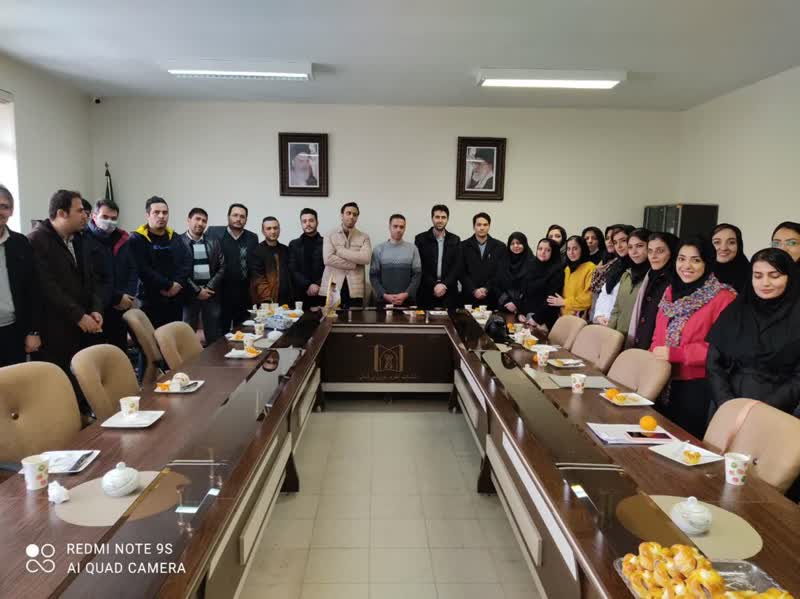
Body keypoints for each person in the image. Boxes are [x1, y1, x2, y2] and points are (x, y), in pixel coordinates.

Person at [650, 238, 736, 438]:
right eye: (681, 259)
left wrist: (677, 354)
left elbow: (722, 348)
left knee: (684, 442)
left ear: (707, 263)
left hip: (696, 386)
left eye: (696, 260)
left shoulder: (724, 298)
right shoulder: (670, 291)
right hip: (661, 378)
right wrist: (653, 355)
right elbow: (658, 332)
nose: (686, 266)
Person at [707, 248, 800, 416]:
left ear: (789, 277)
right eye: (757, 276)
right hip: (727, 404)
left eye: (774, 276)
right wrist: (725, 402)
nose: (765, 283)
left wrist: (761, 410)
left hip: (775, 410)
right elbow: (714, 363)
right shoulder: (737, 310)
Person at [28, 190, 103, 378]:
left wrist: (96, 309)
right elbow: (47, 286)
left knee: (82, 382)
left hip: (82, 327)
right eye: (79, 211)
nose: (85, 215)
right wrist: (78, 316)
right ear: (62, 213)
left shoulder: (79, 238)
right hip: (55, 330)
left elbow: (91, 278)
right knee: (58, 383)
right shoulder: (37, 240)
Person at [128, 196, 192, 329]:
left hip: (175, 299)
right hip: (150, 300)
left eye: (165, 212)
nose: (161, 216)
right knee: (153, 339)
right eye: (156, 212)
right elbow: (142, 269)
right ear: (147, 215)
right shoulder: (137, 239)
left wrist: (178, 284)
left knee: (173, 336)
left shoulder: (175, 237)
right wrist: (168, 285)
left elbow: (186, 262)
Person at [84, 198, 138, 352]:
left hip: (122, 306)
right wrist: (116, 297)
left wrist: (128, 296)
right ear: (94, 216)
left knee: (120, 351)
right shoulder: (84, 239)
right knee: (98, 353)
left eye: (114, 218)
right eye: (105, 217)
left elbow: (132, 269)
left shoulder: (123, 238)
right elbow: (93, 277)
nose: (109, 222)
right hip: (97, 308)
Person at [0, 185, 41, 367]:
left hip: (13, 331)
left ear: (11, 211)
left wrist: (33, 331)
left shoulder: (20, 243)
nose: (0, 211)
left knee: (14, 381)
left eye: (4, 206)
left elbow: (33, 290)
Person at [208, 203, 259, 332]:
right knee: (220, 332)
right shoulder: (214, 234)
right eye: (235, 215)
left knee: (243, 331)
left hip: (243, 293)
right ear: (228, 217)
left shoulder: (252, 238)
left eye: (242, 216)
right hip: (220, 292)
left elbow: (254, 265)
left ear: (246, 219)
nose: (238, 219)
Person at [180, 208, 225, 345]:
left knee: (214, 335)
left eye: (204, 221)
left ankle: (213, 359)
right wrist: (197, 291)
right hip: (188, 295)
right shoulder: (179, 242)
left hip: (210, 295)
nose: (200, 223)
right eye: (197, 219)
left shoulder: (214, 241)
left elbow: (222, 267)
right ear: (188, 220)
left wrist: (209, 288)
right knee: (186, 335)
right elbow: (179, 271)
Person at [630, 232, 680, 350]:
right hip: (641, 343)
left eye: (660, 251)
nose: (653, 256)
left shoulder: (675, 283)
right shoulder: (650, 276)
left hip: (657, 349)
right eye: (650, 251)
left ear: (672, 252)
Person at [321, 202, 372, 308]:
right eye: (348, 213)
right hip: (333, 286)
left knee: (355, 317)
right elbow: (328, 259)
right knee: (331, 317)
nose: (351, 216)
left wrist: (340, 251)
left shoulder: (364, 237)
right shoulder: (330, 234)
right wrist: (354, 264)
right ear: (342, 215)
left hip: (355, 289)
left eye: (355, 214)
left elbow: (366, 258)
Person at [608, 228, 652, 341]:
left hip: (638, 340)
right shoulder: (627, 275)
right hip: (618, 337)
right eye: (630, 247)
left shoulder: (653, 278)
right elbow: (617, 308)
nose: (634, 252)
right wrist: (609, 336)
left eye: (639, 246)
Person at [415, 204, 461, 309]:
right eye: (437, 217)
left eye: (443, 217)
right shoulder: (420, 239)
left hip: (449, 290)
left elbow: (457, 266)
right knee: (426, 319)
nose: (440, 220)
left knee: (449, 319)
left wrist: (444, 285)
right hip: (426, 290)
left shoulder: (455, 240)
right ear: (432, 218)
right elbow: (420, 266)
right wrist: (434, 285)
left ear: (447, 219)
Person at [369, 214, 421, 307]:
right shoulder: (378, 249)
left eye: (401, 227)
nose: (398, 230)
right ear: (389, 227)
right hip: (383, 301)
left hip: (407, 301)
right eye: (395, 226)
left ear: (405, 228)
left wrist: (406, 294)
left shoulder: (413, 249)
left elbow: (417, 275)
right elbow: (373, 276)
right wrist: (385, 295)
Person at [459, 212, 506, 308]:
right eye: (479, 225)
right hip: (468, 297)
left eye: (485, 225)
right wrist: (474, 290)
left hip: (491, 297)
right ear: (474, 227)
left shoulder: (500, 247)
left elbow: (500, 272)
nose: (482, 228)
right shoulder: (463, 246)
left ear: (489, 226)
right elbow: (461, 272)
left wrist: (486, 288)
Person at [592, 226, 633, 325]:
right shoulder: (616, 265)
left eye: (623, 241)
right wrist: (599, 315)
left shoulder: (636, 268)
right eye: (615, 242)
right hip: (603, 321)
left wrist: (611, 320)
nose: (619, 246)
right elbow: (604, 293)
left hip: (620, 325)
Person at [521, 238, 564, 333]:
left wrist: (536, 319)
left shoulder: (557, 271)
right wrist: (520, 313)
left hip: (544, 322)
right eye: (540, 249)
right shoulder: (531, 266)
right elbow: (524, 293)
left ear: (553, 252)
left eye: (548, 250)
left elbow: (551, 300)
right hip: (527, 318)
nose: (543, 252)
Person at [547, 235, 596, 317]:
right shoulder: (567, 269)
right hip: (563, 315)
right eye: (568, 249)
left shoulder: (590, 267)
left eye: (575, 249)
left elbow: (589, 298)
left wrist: (564, 302)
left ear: (582, 249)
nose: (571, 252)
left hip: (580, 317)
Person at [250, 217, 292, 305]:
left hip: (287, 302)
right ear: (263, 231)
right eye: (269, 228)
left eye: (275, 228)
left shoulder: (286, 250)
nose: (273, 231)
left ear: (279, 229)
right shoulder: (257, 252)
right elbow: (259, 279)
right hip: (268, 302)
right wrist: (267, 300)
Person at [287, 208, 324, 309]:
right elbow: (292, 269)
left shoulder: (326, 243)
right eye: (304, 221)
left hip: (322, 293)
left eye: (311, 220)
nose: (308, 224)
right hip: (300, 294)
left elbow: (330, 268)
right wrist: (308, 285)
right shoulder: (294, 244)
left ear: (317, 222)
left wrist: (317, 285)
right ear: (301, 223)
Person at [495, 232, 534, 316]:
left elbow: (532, 288)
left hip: (524, 310)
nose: (515, 246)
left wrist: (516, 304)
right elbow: (497, 285)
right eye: (512, 244)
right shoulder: (503, 261)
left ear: (524, 244)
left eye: (519, 243)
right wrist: (507, 302)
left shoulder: (533, 263)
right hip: (504, 306)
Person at [711, 223, 749, 293]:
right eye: (717, 242)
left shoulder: (752, 276)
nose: (723, 248)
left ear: (739, 245)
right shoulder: (698, 272)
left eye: (731, 242)